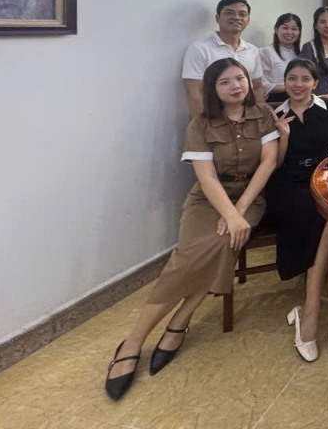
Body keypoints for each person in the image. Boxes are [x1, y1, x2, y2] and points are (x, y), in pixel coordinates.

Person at [105, 59, 279, 400]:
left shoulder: (264, 114)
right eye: (225, 81)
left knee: (223, 242)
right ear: (212, 89)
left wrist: (239, 212)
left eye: (240, 78)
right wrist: (228, 214)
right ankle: (134, 341)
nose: (236, 85)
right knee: (187, 259)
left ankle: (181, 318)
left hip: (250, 198)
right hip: (208, 199)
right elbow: (207, 178)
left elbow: (269, 162)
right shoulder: (200, 124)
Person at [270, 59, 328, 375]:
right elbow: (274, 164)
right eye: (292, 78)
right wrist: (282, 135)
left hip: (321, 181)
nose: (298, 84)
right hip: (288, 188)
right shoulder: (277, 114)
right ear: (284, 82)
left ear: (314, 82)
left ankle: (312, 314)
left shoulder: (327, 109)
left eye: (305, 79)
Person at [181, 0, 265, 117]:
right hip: (214, 118)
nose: (236, 17)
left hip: (246, 119)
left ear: (248, 20)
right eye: (229, 13)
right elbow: (195, 92)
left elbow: (257, 88)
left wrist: (261, 117)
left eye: (242, 14)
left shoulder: (253, 50)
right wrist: (203, 124)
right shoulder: (199, 48)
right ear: (217, 18)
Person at [300, 7, 328, 96]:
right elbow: (303, 78)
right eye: (322, 22)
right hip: (316, 100)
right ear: (315, 26)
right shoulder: (309, 48)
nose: (327, 25)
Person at [260, 13, 302, 101]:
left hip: (299, 99)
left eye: (294, 29)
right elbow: (262, 83)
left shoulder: (302, 54)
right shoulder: (266, 52)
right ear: (276, 29)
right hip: (275, 100)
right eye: (285, 28)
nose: (289, 32)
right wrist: (289, 87)